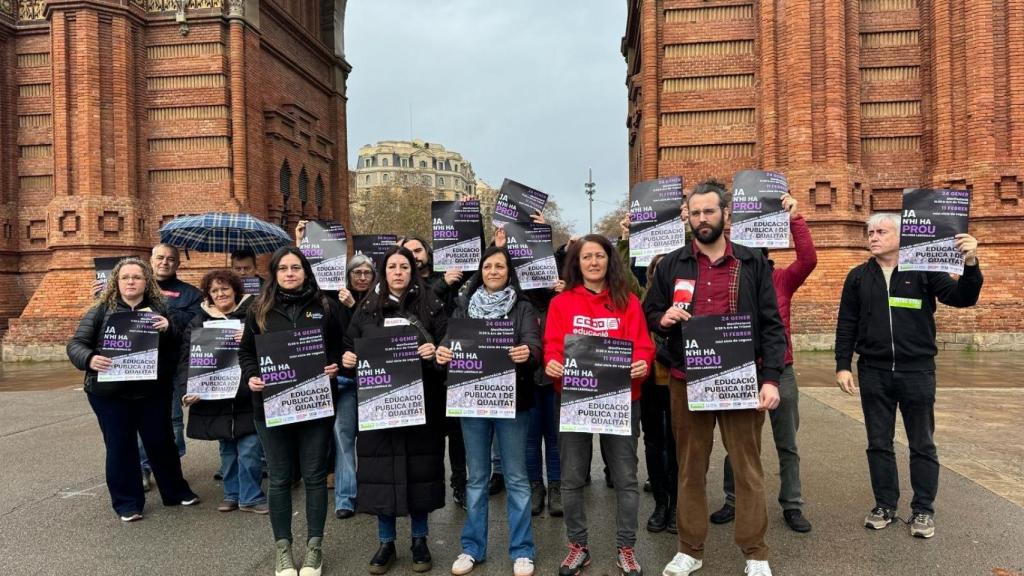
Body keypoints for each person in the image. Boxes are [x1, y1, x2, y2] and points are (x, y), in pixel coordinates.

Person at [644, 179, 786, 576]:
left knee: (748, 469)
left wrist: (771, 378)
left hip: (741, 378)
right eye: (695, 213)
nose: (702, 219)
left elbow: (773, 325)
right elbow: (649, 313)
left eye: (709, 211)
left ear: (726, 214)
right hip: (686, 378)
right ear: (686, 216)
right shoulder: (672, 264)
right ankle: (690, 549)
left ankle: (755, 553)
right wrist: (663, 319)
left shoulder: (751, 261)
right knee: (690, 468)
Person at [835, 212, 982, 539]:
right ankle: (885, 504)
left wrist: (970, 262)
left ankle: (923, 510)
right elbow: (847, 323)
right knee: (878, 443)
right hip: (873, 371)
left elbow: (962, 297)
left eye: (881, 231)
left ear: (902, 237)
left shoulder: (924, 270)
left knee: (922, 443)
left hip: (916, 371)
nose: (873, 237)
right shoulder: (858, 277)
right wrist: (842, 364)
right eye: (869, 232)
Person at [544, 234, 655, 576]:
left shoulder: (628, 301)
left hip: (621, 400)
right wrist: (551, 362)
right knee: (573, 478)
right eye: (586, 257)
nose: (593, 262)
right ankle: (578, 546)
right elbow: (552, 344)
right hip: (575, 399)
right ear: (577, 264)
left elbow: (644, 346)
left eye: (599, 256)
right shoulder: (561, 303)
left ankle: (626, 548)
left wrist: (642, 363)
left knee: (625, 478)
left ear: (610, 260)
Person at [710, 192, 817, 533]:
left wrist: (795, 220)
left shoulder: (782, 280)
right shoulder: (731, 278)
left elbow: (809, 260)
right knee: (740, 443)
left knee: (787, 443)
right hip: (742, 370)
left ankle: (792, 504)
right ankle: (733, 499)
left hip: (780, 370)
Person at [238, 246, 346, 576]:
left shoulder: (325, 306)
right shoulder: (258, 309)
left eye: (295, 268)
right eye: (283, 268)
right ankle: (283, 549)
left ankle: (314, 547)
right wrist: (252, 376)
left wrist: (335, 366)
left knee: (314, 477)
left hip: (315, 404)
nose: (289, 273)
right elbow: (246, 353)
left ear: (305, 271)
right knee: (281, 478)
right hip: (271, 407)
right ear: (275, 273)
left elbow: (342, 350)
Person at [66, 257, 200, 522]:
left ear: (146, 282)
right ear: (116, 281)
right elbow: (76, 344)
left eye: (136, 277)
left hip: (151, 390)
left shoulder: (161, 309)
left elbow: (182, 344)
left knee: (162, 443)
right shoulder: (100, 310)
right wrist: (90, 358)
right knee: (120, 446)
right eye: (125, 277)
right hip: (109, 394)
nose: (131, 282)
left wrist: (169, 327)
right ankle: (127, 503)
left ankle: (175, 491)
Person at [341, 246, 448, 574]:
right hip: (379, 406)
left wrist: (437, 353)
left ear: (412, 271)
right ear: (383, 272)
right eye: (392, 267)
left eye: (404, 266)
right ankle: (386, 542)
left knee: (420, 473)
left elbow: (448, 347)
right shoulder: (367, 308)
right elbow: (349, 346)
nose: (398, 272)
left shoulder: (431, 304)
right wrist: (347, 361)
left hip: (422, 405)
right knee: (380, 474)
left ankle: (420, 540)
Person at [436, 246, 540, 576]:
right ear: (480, 271)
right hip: (473, 401)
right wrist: (443, 355)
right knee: (477, 477)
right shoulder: (464, 306)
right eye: (487, 266)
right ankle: (472, 547)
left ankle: (522, 550)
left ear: (510, 272)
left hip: (513, 401)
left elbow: (535, 344)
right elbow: (451, 345)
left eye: (500, 266)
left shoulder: (523, 307)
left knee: (517, 477)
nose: (493, 271)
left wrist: (529, 353)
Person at [180, 269, 267, 514]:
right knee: (227, 451)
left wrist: (251, 338)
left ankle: (251, 497)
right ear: (208, 294)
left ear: (235, 291)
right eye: (214, 290)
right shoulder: (198, 322)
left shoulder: (253, 315)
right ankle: (231, 494)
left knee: (250, 449)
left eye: (225, 289)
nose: (220, 294)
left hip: (247, 396)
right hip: (215, 399)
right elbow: (187, 360)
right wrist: (188, 390)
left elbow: (271, 348)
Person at [401, 235, 469, 509]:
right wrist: (443, 285)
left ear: (428, 251)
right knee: (427, 437)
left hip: (455, 361)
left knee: (458, 434)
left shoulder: (450, 273)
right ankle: (429, 488)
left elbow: (476, 264)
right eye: (408, 252)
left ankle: (460, 485)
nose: (414, 255)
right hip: (422, 370)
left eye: (418, 249)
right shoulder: (408, 285)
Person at [137, 243, 204, 490]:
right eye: (160, 258)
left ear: (178, 264)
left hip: (173, 364)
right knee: (142, 419)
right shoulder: (135, 286)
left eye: (170, 259)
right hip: (140, 365)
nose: (165, 262)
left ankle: (170, 469)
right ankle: (142, 468)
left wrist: (169, 319)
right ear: (151, 260)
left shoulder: (190, 294)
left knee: (174, 420)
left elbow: (196, 325)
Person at [332, 253, 377, 520]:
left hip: (376, 379)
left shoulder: (382, 302)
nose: (361, 277)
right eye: (356, 273)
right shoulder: (335, 302)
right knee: (343, 436)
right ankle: (345, 497)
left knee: (373, 440)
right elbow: (340, 336)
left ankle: (371, 493)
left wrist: (354, 307)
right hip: (347, 379)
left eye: (366, 273)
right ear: (348, 277)